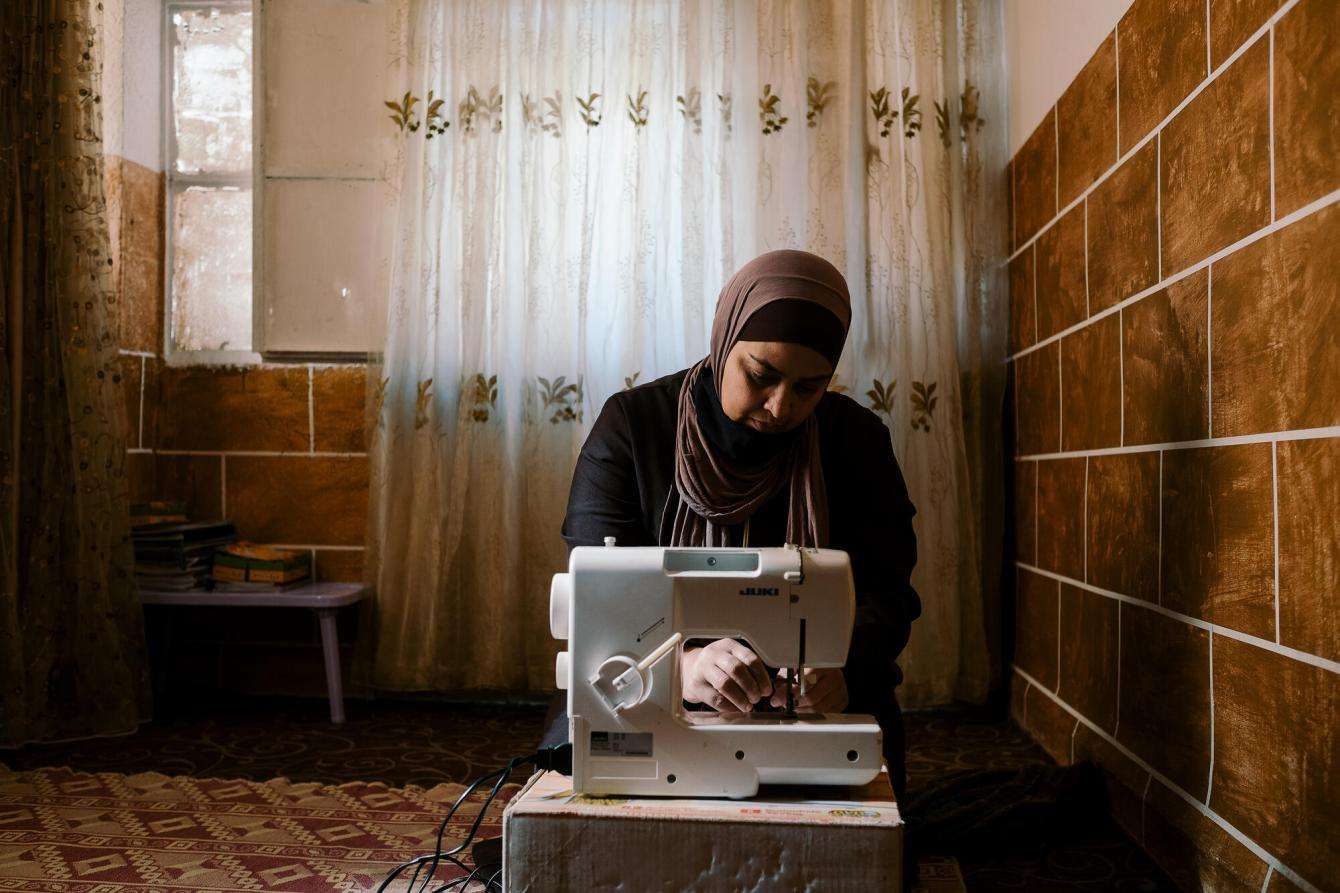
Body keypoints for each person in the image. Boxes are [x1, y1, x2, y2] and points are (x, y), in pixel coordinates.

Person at [545, 249, 921, 799]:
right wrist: (684, 664)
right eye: (761, 375)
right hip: (646, 689)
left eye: (809, 388)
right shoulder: (633, 427)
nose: (779, 406)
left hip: (818, 702)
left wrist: (844, 665)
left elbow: (889, 593)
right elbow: (596, 596)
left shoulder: (855, 441)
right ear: (724, 340)